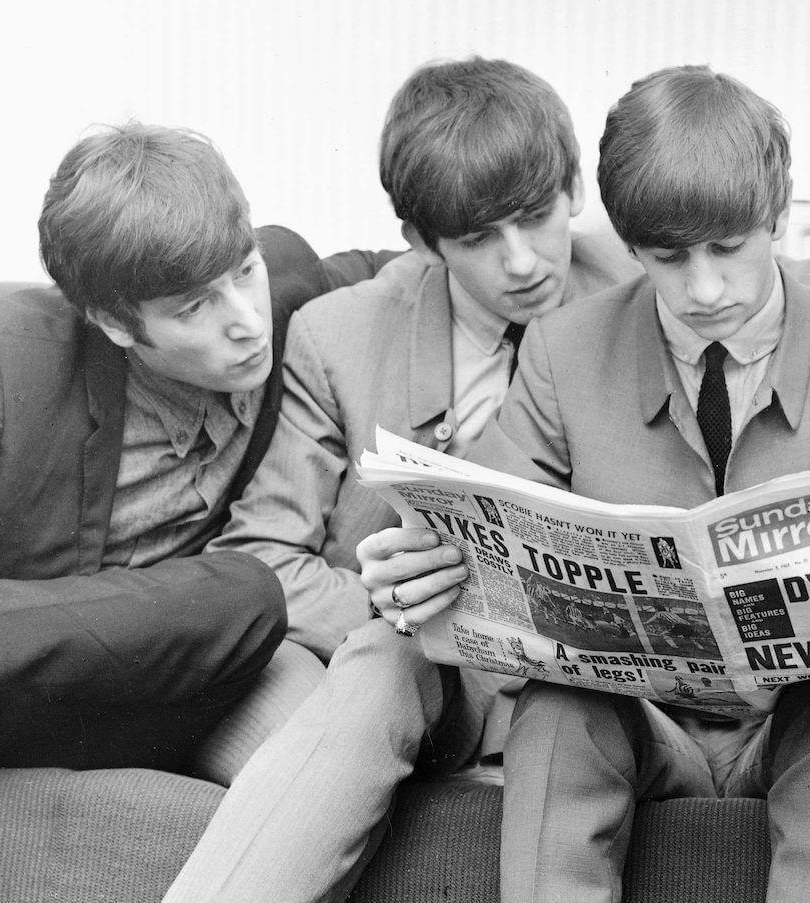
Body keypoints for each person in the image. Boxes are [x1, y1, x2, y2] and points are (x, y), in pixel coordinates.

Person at [451, 64, 810, 902]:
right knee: (560, 708)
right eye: (668, 257)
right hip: (638, 724)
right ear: (630, 244)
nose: (704, 287)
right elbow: (494, 565)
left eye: (729, 247)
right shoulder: (562, 352)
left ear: (778, 217)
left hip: (798, 723)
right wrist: (436, 572)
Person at [162, 57, 636, 903]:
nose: (522, 261)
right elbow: (264, 556)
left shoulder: (653, 298)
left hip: (602, 694)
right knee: (384, 660)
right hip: (426, 676)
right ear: (423, 244)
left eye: (536, 217)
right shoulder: (339, 334)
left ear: (574, 191)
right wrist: (421, 609)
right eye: (477, 239)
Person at [0, 123, 327, 774]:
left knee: (249, 617)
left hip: (162, 680)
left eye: (245, 272)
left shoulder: (290, 280)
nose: (246, 321)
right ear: (115, 322)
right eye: (194, 309)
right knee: (244, 593)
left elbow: (420, 274)